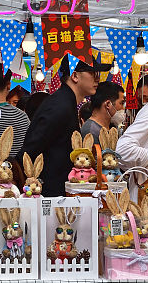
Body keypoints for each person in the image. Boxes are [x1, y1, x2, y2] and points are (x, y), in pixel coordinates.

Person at [21, 59, 100, 196]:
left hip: (56, 190)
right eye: (92, 73)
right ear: (75, 76)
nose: (97, 79)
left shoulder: (65, 102)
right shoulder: (60, 106)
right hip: (49, 193)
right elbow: (30, 150)